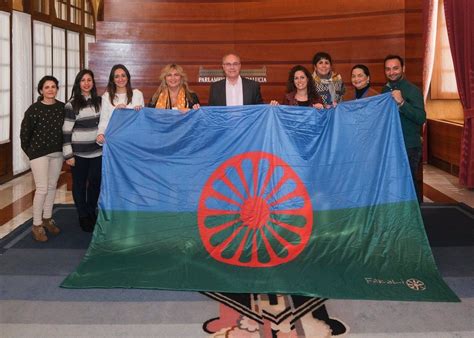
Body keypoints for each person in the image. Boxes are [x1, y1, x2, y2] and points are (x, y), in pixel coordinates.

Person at [20, 75, 64, 242]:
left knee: (52, 186)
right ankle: (37, 225)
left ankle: (47, 218)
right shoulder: (34, 109)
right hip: (38, 154)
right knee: (42, 188)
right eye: (47, 87)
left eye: (53, 86)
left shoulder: (62, 108)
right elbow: (24, 134)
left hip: (57, 153)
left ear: (57, 89)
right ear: (41, 90)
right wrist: (31, 153)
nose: (50, 89)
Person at [381, 55, 426, 202]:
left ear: (403, 69)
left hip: (409, 146)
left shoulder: (413, 90)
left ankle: (417, 217)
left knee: (409, 183)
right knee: (394, 185)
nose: (392, 72)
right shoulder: (384, 90)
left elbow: (421, 118)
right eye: (388, 69)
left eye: (395, 68)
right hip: (390, 146)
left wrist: (402, 103)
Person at [62, 70, 103, 232]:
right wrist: (68, 154)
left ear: (93, 83)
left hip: (97, 152)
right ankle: (83, 215)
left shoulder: (100, 102)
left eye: (89, 80)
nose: (86, 83)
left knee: (95, 183)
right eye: (83, 80)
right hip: (78, 154)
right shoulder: (71, 104)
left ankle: (91, 211)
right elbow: (66, 131)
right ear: (78, 83)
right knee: (79, 185)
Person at [96, 64, 144, 144]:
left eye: (123, 75)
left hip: (133, 141)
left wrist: (139, 113)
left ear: (127, 77)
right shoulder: (106, 97)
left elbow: (142, 122)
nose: (120, 79)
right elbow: (104, 120)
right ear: (112, 80)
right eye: (117, 76)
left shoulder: (137, 94)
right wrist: (100, 134)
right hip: (114, 141)